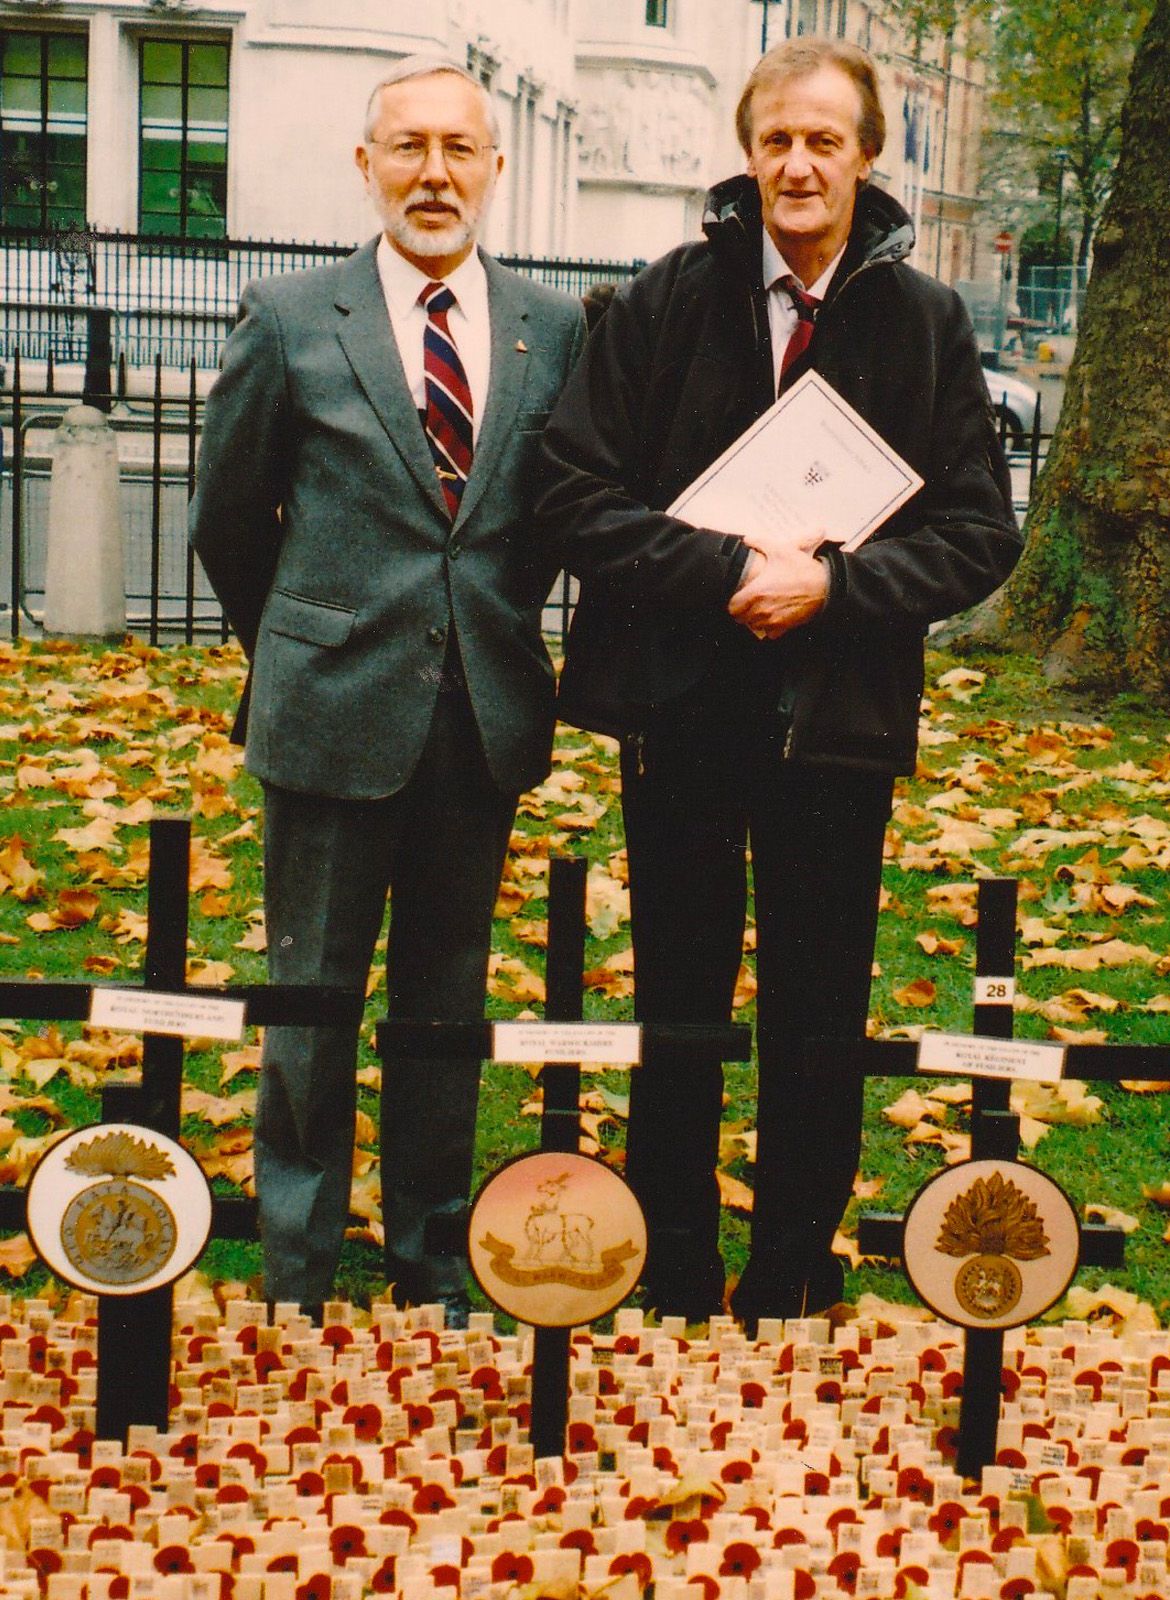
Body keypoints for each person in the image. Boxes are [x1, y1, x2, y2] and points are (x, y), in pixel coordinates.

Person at [538, 37, 1022, 1328]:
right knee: (677, 1003)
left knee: (819, 1009)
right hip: (683, 710)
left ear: (867, 156)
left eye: (823, 141)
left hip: (837, 724)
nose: (795, 165)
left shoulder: (925, 323)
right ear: (745, 155)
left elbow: (980, 531)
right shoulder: (660, 303)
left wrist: (836, 589)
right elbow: (572, 492)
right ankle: (673, 1270)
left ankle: (793, 1277)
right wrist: (716, 571)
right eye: (774, 141)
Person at [190, 56, 585, 1325]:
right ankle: (297, 1266)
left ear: (495, 169)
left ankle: (429, 1254)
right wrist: (306, 645)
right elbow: (226, 518)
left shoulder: (553, 325)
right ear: (366, 166)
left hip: (479, 718)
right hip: (329, 714)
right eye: (406, 148)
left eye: (457, 149)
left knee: (445, 1003)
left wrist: (491, 635)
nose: (433, 173)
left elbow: (545, 520)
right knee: (312, 1002)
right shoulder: (292, 314)